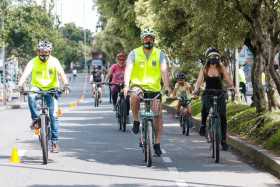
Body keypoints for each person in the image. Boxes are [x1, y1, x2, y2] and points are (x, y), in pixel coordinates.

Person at [124, 28, 172, 156]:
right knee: (134, 96)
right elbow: (128, 70)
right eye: (146, 37)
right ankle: (135, 120)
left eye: (150, 37)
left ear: (154, 40)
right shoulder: (134, 53)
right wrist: (125, 85)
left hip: (154, 89)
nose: (148, 40)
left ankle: (156, 143)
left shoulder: (160, 54)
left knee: (157, 116)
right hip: (138, 86)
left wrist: (167, 86)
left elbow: (164, 71)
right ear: (142, 39)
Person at [18, 40, 69, 153]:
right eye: (41, 52)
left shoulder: (54, 61)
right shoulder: (33, 62)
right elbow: (25, 74)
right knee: (31, 96)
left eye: (46, 52)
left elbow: (62, 73)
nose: (44, 54)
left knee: (54, 116)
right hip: (37, 88)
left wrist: (65, 84)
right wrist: (20, 85)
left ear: (50, 52)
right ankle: (36, 120)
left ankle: (54, 143)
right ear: (38, 52)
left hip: (52, 89)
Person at [193, 47, 234, 151]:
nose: (214, 58)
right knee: (204, 109)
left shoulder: (221, 68)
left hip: (220, 93)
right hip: (208, 92)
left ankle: (224, 141)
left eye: (216, 56)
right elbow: (199, 81)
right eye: (212, 56)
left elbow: (228, 79)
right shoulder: (204, 68)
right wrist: (196, 89)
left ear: (218, 58)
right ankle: (203, 125)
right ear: (208, 58)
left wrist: (231, 87)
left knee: (223, 116)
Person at [105, 51, 130, 116]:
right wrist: (106, 80)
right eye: (120, 60)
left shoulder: (128, 66)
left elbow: (132, 75)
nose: (121, 61)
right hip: (115, 83)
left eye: (123, 60)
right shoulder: (114, 66)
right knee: (113, 90)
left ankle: (127, 115)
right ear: (117, 60)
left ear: (125, 60)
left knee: (127, 98)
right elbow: (109, 74)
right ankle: (114, 104)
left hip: (125, 85)